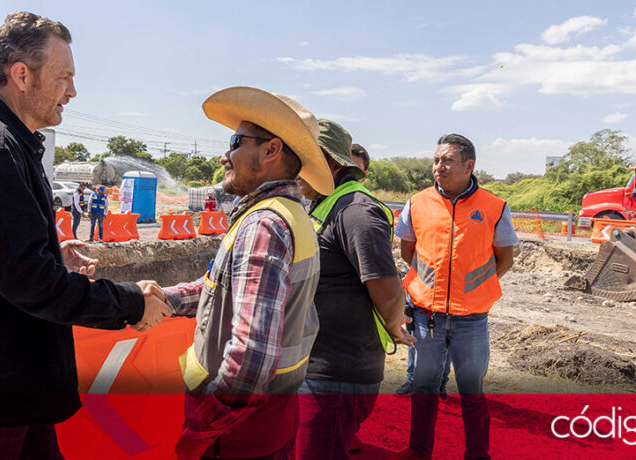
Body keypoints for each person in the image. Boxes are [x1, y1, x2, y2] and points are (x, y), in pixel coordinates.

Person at [0, 12, 171, 460]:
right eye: (63, 76)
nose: (72, 90)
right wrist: (129, 302)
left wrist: (51, 252)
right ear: (22, 75)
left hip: (16, 376)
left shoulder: (8, 141)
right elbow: (27, 280)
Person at [156, 86, 332, 460]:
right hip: (270, 423)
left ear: (271, 150)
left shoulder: (264, 225)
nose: (225, 156)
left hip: (235, 438)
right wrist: (163, 299)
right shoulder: (290, 216)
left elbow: (250, 357)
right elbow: (225, 290)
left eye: (236, 142)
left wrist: (202, 431)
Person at [391, 134, 517, 460]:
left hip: (471, 319)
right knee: (424, 388)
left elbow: (505, 258)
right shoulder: (417, 203)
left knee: (471, 392)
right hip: (426, 316)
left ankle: (478, 454)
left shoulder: (494, 207)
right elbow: (408, 251)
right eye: (436, 160)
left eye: (446, 161)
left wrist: (473, 289)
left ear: (469, 165)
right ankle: (419, 451)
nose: (438, 167)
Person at [293, 120, 414, 460]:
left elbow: (388, 290)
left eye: (303, 159)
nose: (296, 168)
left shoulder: (356, 211)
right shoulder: (325, 204)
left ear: (330, 162)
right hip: (315, 365)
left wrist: (393, 324)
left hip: (336, 373)